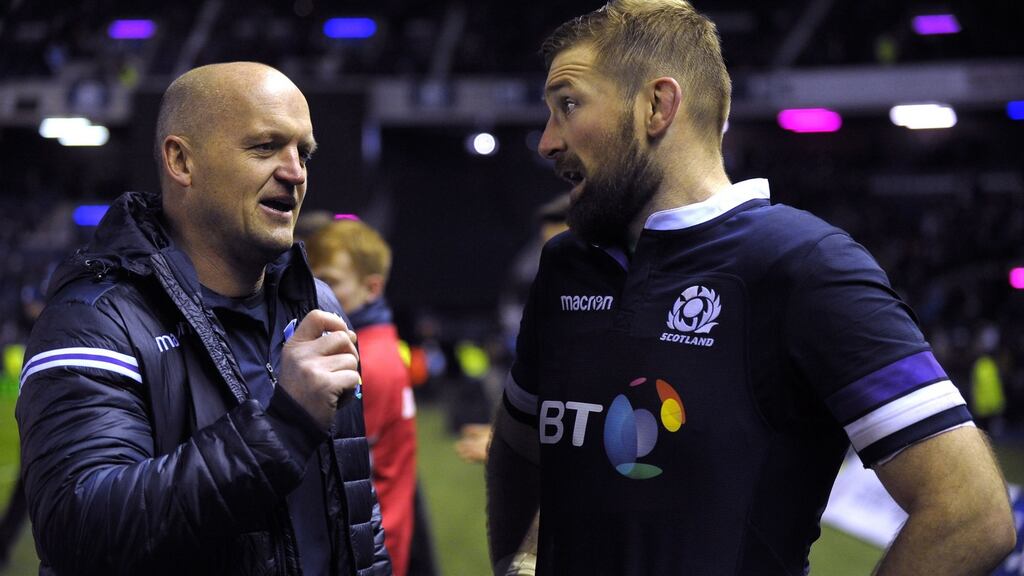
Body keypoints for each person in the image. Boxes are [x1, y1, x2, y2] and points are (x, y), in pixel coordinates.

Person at [485, 2, 1017, 575]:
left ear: (657, 107)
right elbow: (524, 448)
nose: (545, 141)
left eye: (568, 105)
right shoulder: (566, 265)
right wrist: (521, 558)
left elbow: (971, 512)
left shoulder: (805, 265)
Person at [16, 62, 391, 576]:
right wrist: (283, 427)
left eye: (303, 152)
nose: (295, 172)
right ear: (181, 160)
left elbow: (354, 515)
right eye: (265, 147)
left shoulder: (318, 303)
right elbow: (78, 529)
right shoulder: (95, 319)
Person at [306, 219, 418, 576]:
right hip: (385, 537)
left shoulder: (360, 360)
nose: (316, 290)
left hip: (368, 551)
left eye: (330, 282)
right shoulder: (381, 343)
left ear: (372, 288)